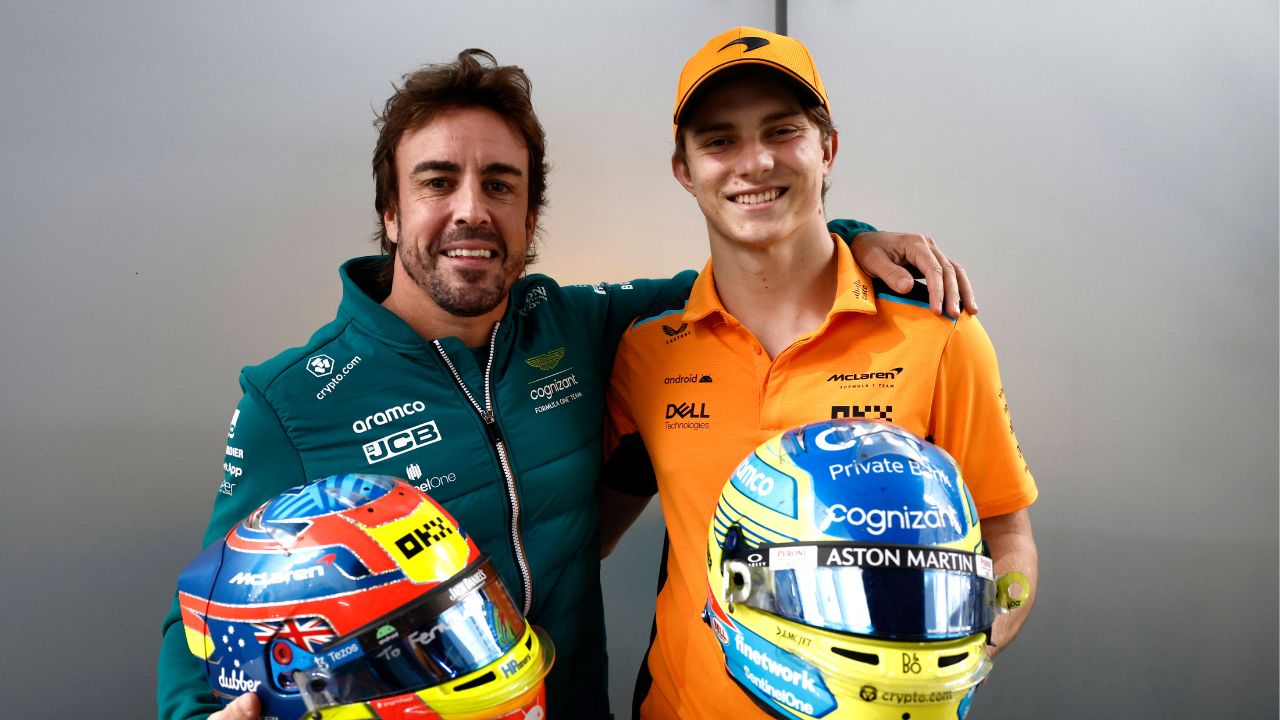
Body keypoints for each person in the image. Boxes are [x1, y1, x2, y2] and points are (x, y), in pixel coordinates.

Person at [156, 48, 974, 720]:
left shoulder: (581, 325)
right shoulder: (292, 401)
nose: (471, 210)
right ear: (391, 212)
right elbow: (203, 629)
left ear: (530, 215)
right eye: (437, 182)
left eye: (500, 184)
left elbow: (756, 269)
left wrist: (853, 240)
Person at [601, 27, 1039, 720]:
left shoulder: (939, 334)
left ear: (827, 148)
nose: (755, 162)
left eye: (783, 132)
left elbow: (1006, 537)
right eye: (719, 141)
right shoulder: (648, 351)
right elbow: (582, 535)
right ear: (684, 170)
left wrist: (961, 654)